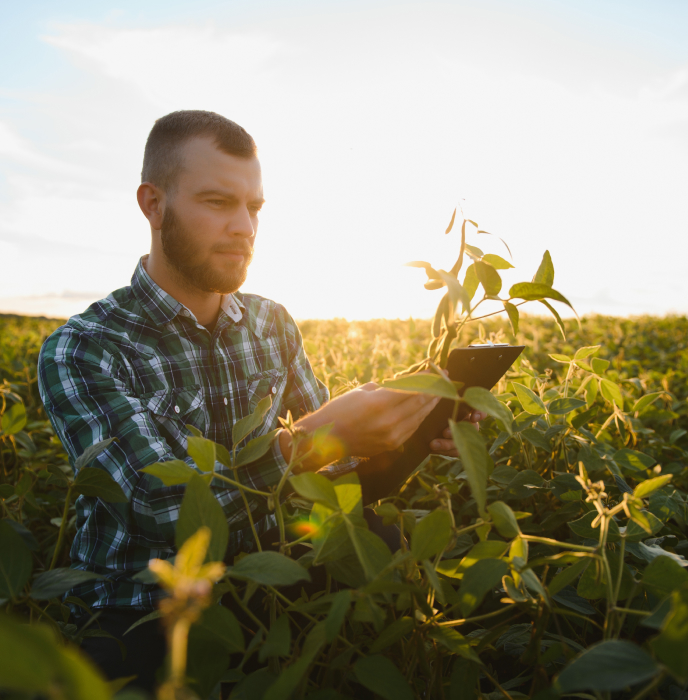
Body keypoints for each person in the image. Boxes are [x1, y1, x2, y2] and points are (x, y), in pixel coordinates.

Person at [37, 110, 483, 691]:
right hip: (144, 602)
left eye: (255, 208)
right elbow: (159, 509)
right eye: (218, 202)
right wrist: (309, 444)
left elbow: (340, 477)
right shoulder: (85, 348)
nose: (245, 226)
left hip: (274, 570)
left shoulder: (272, 322)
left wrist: (405, 437)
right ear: (152, 204)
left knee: (383, 547)